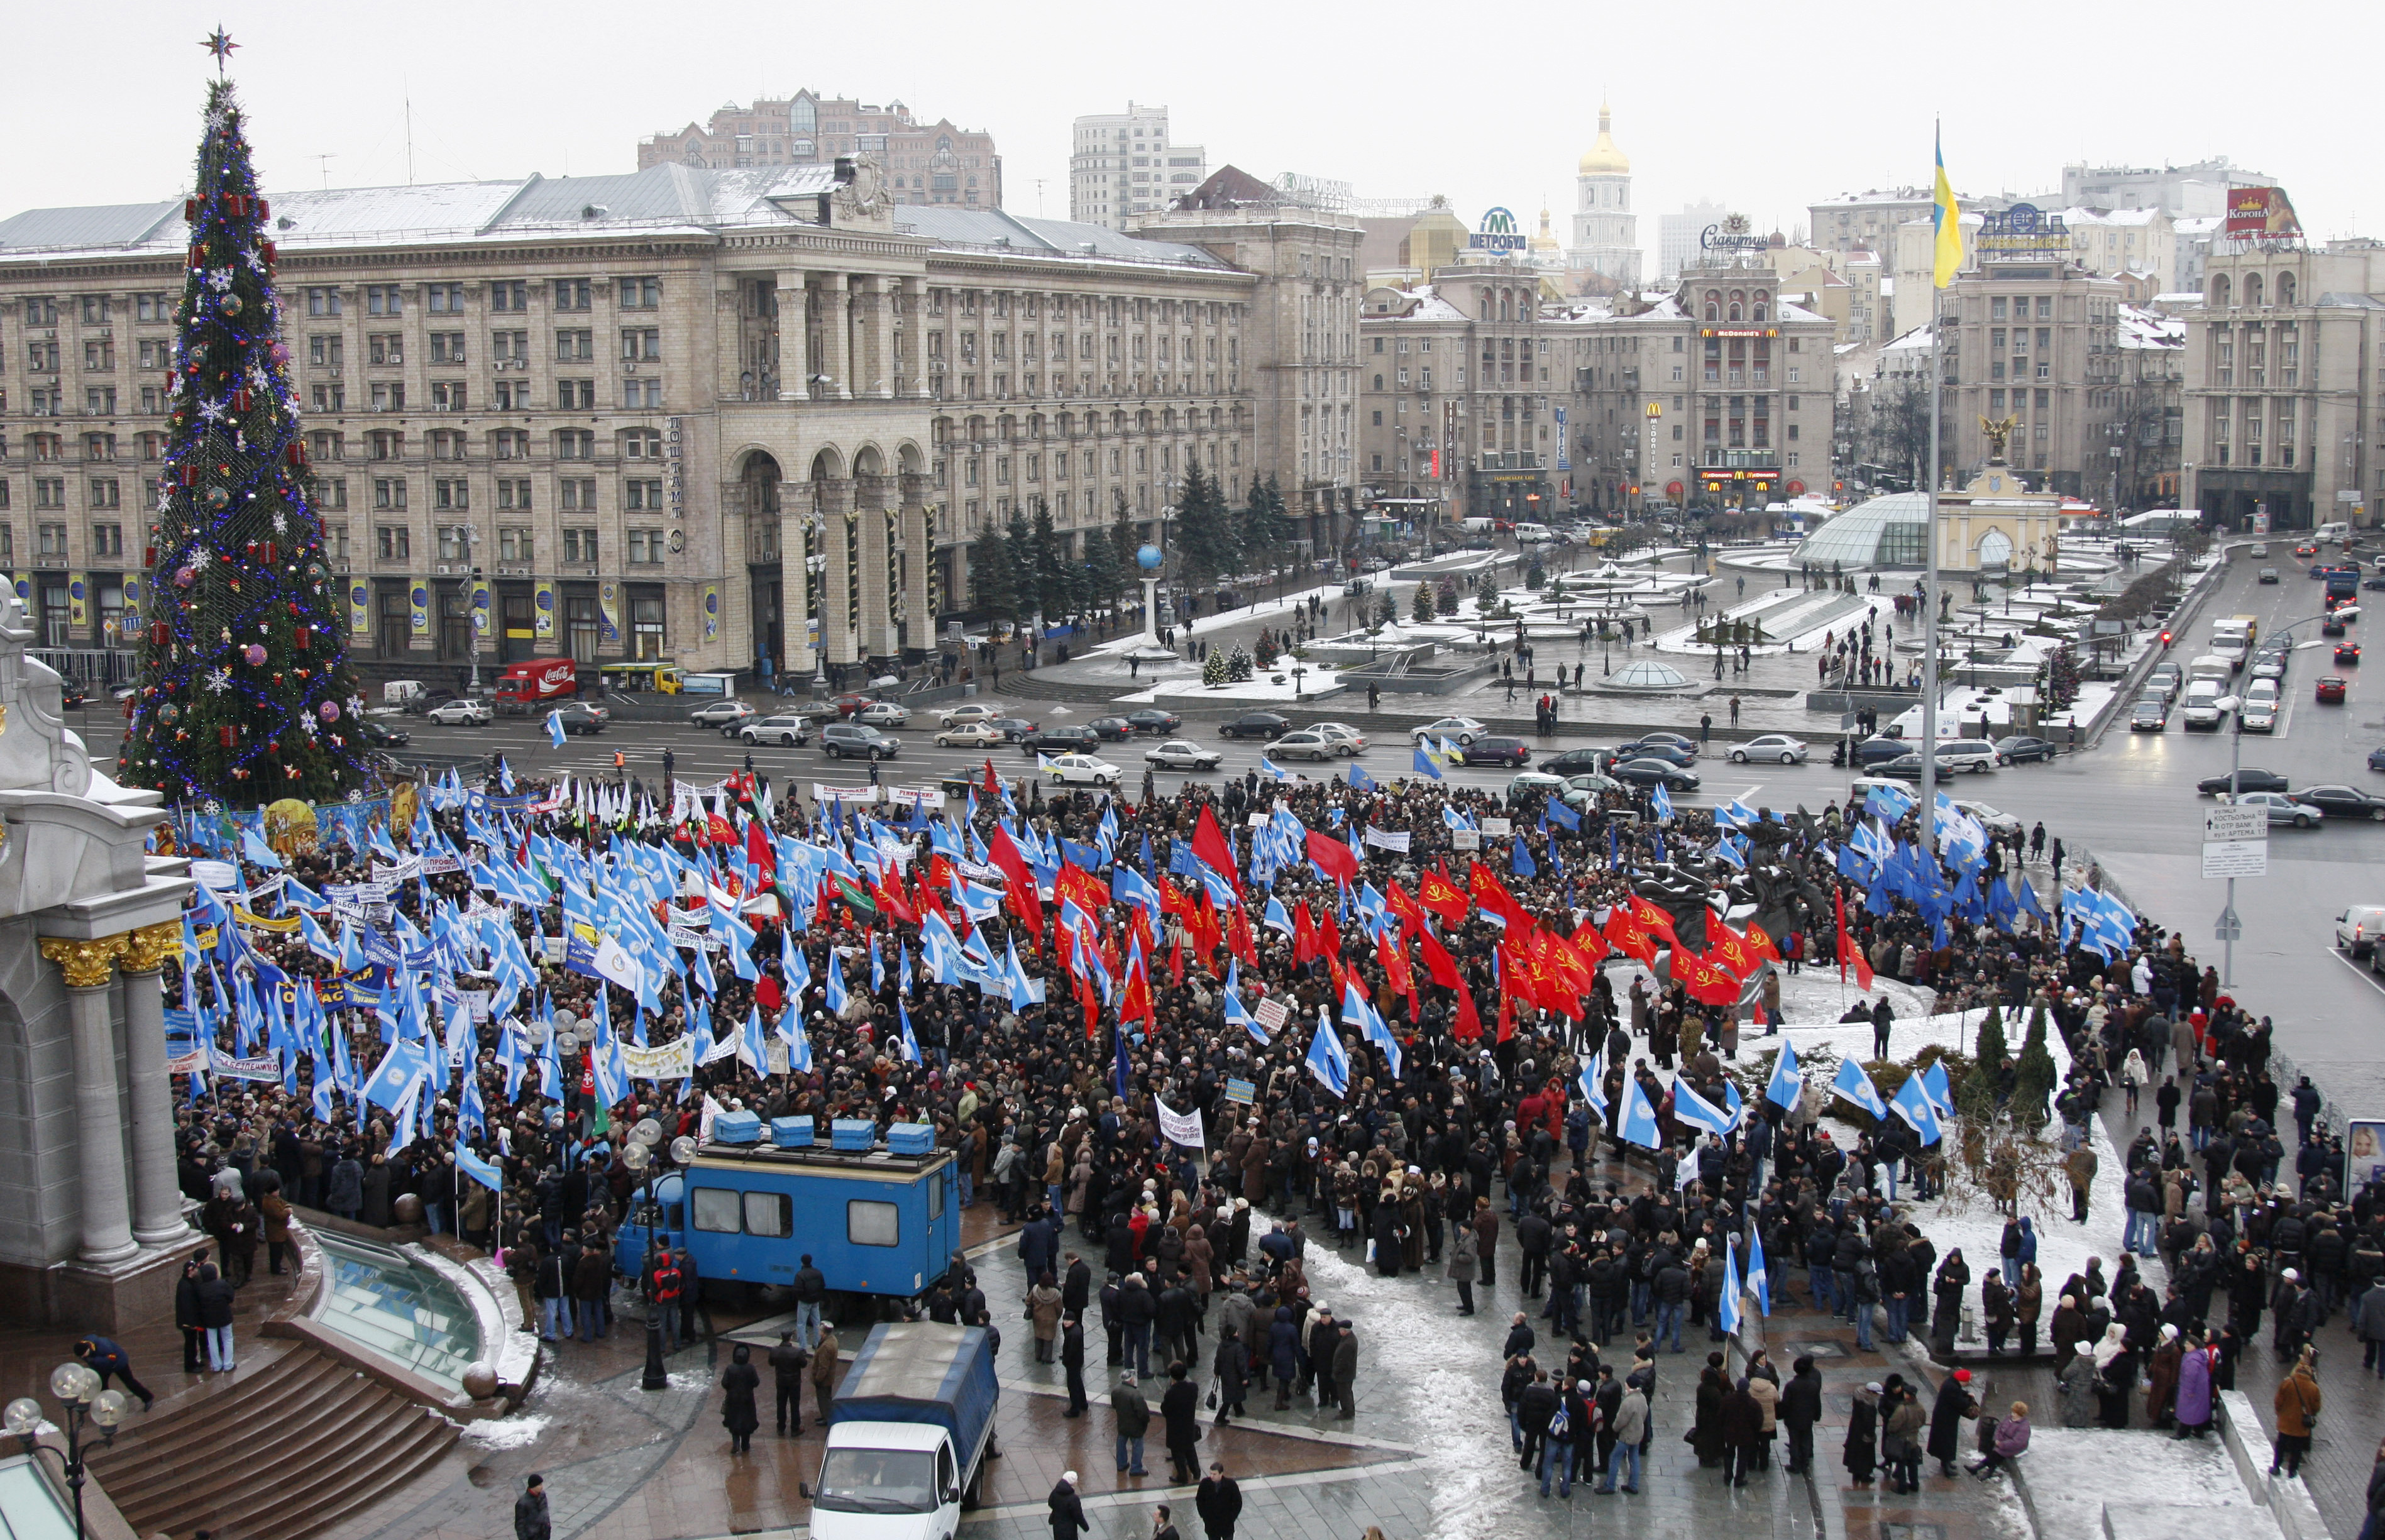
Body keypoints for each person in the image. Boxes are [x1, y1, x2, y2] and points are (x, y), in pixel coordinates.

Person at [2270, 1347, 2322, 1477]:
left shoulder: (2287, 1383)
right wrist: (2310, 1413)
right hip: (2301, 1424)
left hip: (2285, 1422)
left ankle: (2277, 1467)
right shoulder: (2314, 1388)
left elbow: (2278, 1401)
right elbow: (2316, 1407)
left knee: (2281, 1445)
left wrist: (2280, 1413)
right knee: (2297, 1448)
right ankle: (2293, 1471)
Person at [73, 1336, 153, 1411]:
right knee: (102, 1387)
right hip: (102, 1368)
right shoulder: (83, 1352)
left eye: (84, 1355)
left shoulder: (102, 1345)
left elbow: (113, 1358)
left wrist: (95, 1360)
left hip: (118, 1364)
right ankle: (107, 1406)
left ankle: (147, 1398)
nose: (83, 1357)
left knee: (130, 1382)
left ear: (87, 1350)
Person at [1927, 1368, 1978, 1478]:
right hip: (1946, 1419)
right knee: (1946, 1442)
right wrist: (1969, 1400)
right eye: (1968, 1381)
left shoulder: (1951, 1382)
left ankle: (1946, 1461)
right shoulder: (1952, 1388)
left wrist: (1966, 1393)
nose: (1968, 1383)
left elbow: (1958, 1393)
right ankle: (1946, 1466)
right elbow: (1961, 1403)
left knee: (1947, 1441)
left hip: (1946, 1418)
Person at [1780, 1355, 1823, 1475]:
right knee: (1806, 1440)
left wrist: (1781, 1414)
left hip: (1793, 1419)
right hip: (1807, 1418)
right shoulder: (1813, 1385)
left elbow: (1786, 1403)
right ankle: (1805, 1463)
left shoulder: (1791, 1386)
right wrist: (1817, 1415)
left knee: (1794, 1441)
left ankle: (1795, 1465)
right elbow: (1817, 1401)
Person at [1161, 1361, 1203, 1482]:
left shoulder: (1171, 1393)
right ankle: (1196, 1472)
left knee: (1178, 1453)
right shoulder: (1193, 1388)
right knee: (1190, 1448)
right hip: (1189, 1424)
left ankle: (1182, 1476)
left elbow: (1165, 1409)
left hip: (1175, 1427)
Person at [194, 1262, 236, 1372]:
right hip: (224, 1316)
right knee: (227, 1339)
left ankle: (216, 1365)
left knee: (212, 1341)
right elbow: (231, 1297)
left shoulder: (200, 1289)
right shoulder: (223, 1284)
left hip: (209, 1319)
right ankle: (228, 1364)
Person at [1971, 1401, 2030, 1478]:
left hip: (2014, 1447)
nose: (2012, 1415)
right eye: (2013, 1412)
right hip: (2002, 1441)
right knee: (1995, 1452)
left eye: (2015, 1413)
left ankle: (1980, 1469)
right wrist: (1997, 1438)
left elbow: (2017, 1443)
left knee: (1997, 1453)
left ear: (2021, 1415)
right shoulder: (2009, 1418)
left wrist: (2002, 1444)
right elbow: (1999, 1428)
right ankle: (1986, 1470)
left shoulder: (2024, 1427)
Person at [720, 1343, 761, 1455]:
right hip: (748, 1399)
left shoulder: (730, 1368)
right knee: (747, 1422)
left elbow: (724, 1383)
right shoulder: (750, 1368)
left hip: (733, 1400)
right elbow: (756, 1382)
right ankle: (745, 1444)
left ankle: (736, 1442)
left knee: (734, 1421)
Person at [1113, 1370, 1152, 1475]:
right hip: (1136, 1426)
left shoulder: (1116, 1390)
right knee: (1138, 1446)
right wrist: (1146, 1421)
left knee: (1121, 1443)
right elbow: (1143, 1413)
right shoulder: (1136, 1394)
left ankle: (1121, 1464)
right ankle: (1136, 1468)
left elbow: (1114, 1405)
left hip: (1122, 1423)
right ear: (1131, 1380)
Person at [770, 1331, 808, 1436]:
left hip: (781, 1382)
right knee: (794, 1405)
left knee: (781, 1404)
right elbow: (804, 1364)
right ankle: (795, 1428)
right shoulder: (797, 1352)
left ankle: (781, 1428)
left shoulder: (774, 1351)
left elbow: (771, 1363)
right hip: (794, 1383)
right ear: (791, 1338)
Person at [1844, 1381, 1880, 1487]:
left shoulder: (1859, 1399)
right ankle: (1865, 1475)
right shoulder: (1869, 1406)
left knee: (1856, 1453)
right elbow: (1869, 1423)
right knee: (1865, 1455)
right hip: (1864, 1434)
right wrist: (1871, 1435)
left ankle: (1856, 1474)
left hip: (1855, 1431)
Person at [1195, 1462, 1242, 1540]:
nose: (1211, 1476)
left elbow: (1238, 1502)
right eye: (1211, 1473)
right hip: (1211, 1524)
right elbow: (1199, 1500)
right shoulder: (1205, 1484)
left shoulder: (1231, 1484)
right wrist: (1204, 1516)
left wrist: (1232, 1517)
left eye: (1214, 1474)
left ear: (1221, 1474)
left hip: (1226, 1524)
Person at [811, 1324, 842, 1432]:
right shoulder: (832, 1340)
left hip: (824, 1379)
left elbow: (823, 1367)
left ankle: (826, 1418)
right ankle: (825, 1416)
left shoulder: (826, 1347)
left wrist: (818, 1379)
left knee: (823, 1399)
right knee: (826, 1397)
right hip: (829, 1377)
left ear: (823, 1332)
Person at [1049, 1473, 1089, 1540]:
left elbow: (1050, 1503)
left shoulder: (1055, 1492)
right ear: (1073, 1483)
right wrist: (1086, 1527)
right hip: (1069, 1529)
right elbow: (1078, 1515)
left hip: (1057, 1526)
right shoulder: (1073, 1499)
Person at [514, 1475, 551, 1540]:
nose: (542, 1487)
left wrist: (548, 1527)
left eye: (541, 1484)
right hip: (532, 1536)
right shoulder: (522, 1503)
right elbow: (520, 1526)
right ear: (533, 1486)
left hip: (544, 1535)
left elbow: (545, 1512)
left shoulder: (542, 1495)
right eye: (539, 1485)